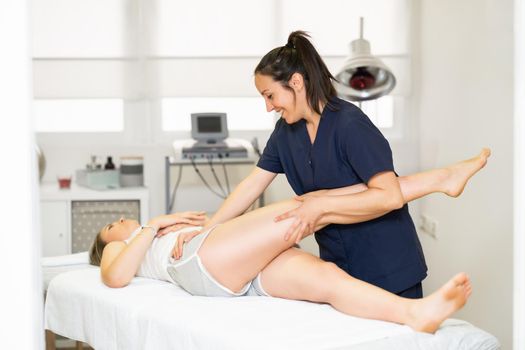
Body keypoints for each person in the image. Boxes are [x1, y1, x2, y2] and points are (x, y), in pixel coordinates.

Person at [162, 30, 491, 298]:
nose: (267, 106)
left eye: (269, 95)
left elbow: (389, 196)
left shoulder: (349, 125)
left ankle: (447, 177)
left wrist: (319, 206)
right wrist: (206, 232)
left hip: (387, 265)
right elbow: (252, 185)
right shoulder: (285, 131)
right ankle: (444, 177)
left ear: (295, 82)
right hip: (338, 265)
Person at [89, 156, 487, 333]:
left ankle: (415, 314)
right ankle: (439, 179)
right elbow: (115, 278)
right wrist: (154, 226)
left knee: (328, 277)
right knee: (309, 207)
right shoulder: (122, 247)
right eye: (111, 225)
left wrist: (190, 224)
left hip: (226, 262)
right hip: (201, 261)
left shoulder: (149, 236)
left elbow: (229, 212)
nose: (119, 221)